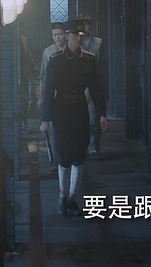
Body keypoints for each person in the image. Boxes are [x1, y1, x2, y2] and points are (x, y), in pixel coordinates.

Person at [40, 19, 109, 216]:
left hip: (80, 108)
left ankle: (71, 198)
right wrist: (45, 119)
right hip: (61, 110)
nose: (80, 39)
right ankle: (62, 195)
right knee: (64, 153)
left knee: (80, 153)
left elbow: (96, 88)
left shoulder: (88, 59)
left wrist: (102, 113)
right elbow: (49, 90)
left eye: (82, 35)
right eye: (76, 35)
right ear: (68, 36)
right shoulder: (56, 60)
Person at [77, 14, 107, 158]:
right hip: (80, 83)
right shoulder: (78, 41)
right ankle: (83, 146)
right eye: (85, 24)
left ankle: (94, 147)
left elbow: (102, 64)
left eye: (89, 24)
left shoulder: (98, 42)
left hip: (95, 81)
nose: (87, 27)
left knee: (95, 117)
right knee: (82, 119)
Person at [38, 22, 67, 173]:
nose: (57, 37)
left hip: (69, 95)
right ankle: (57, 161)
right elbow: (43, 77)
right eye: (54, 35)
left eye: (60, 34)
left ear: (65, 34)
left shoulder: (71, 49)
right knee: (53, 132)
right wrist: (41, 97)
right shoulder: (47, 52)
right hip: (53, 96)